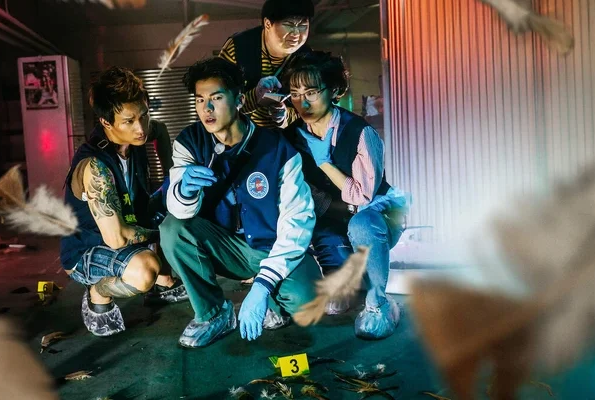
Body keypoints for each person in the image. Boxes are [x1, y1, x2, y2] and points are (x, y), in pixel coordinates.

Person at [159, 57, 320, 348]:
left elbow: (298, 221)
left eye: (216, 98)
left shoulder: (278, 149)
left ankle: (271, 300)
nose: (206, 109)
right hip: (224, 248)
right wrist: (184, 191)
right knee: (172, 229)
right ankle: (213, 313)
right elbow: (179, 212)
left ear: (238, 99)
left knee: (306, 300)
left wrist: (263, 284)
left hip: (269, 248)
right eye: (200, 100)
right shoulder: (190, 142)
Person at [282, 51, 409, 340]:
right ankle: (357, 276)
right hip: (330, 221)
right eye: (295, 94)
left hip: (374, 217)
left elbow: (362, 197)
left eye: (311, 92)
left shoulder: (360, 132)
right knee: (339, 299)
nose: (303, 103)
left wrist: (324, 162)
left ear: (334, 90)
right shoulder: (292, 137)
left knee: (362, 224)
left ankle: (379, 303)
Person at [59, 67, 188, 337]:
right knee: (145, 269)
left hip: (132, 223)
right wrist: (164, 233)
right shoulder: (94, 166)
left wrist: (171, 177)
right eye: (129, 121)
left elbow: (160, 130)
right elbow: (117, 238)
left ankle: (163, 282)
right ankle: (98, 293)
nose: (140, 128)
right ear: (106, 123)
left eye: (144, 115)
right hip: (89, 249)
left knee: (183, 203)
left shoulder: (137, 135)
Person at [218, 0, 313, 129]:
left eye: (303, 25)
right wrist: (255, 96)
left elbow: (309, 109)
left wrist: (285, 116)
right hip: (242, 134)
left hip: (284, 138)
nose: (296, 33)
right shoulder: (238, 48)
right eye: (288, 25)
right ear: (268, 23)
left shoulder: (306, 58)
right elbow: (219, 101)